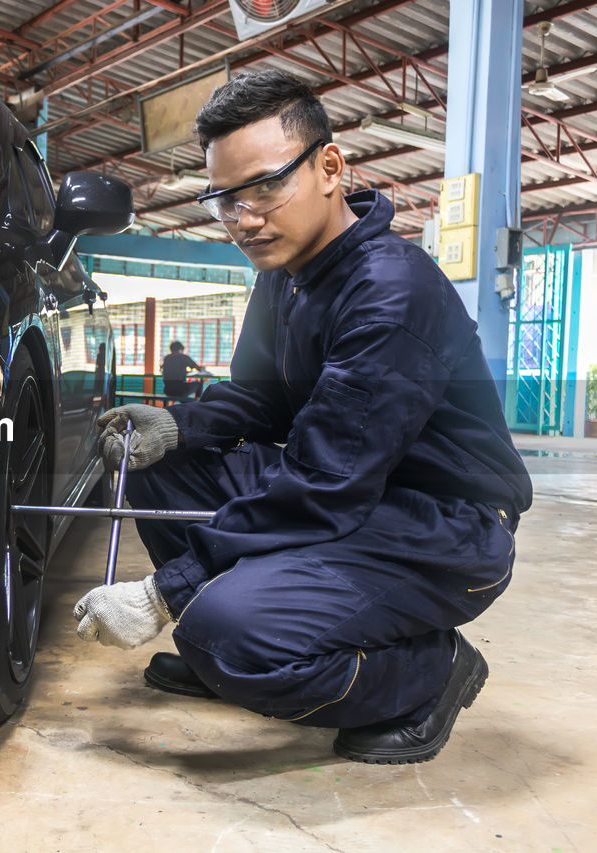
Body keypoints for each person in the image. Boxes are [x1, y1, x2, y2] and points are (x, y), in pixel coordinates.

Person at [72, 69, 533, 765]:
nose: (244, 217)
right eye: (224, 198)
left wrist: (162, 594)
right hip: (357, 497)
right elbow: (262, 400)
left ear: (329, 166)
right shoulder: (282, 278)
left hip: (441, 527)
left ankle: (428, 673)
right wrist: (177, 425)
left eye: (265, 186)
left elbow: (325, 481)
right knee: (162, 464)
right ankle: (237, 626)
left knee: (224, 636)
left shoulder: (390, 292)